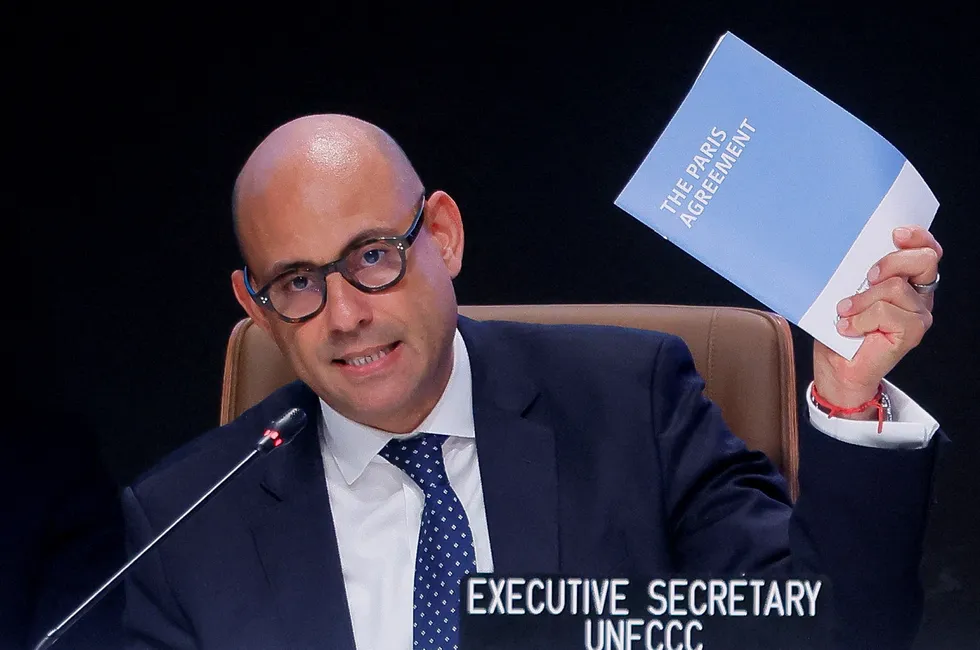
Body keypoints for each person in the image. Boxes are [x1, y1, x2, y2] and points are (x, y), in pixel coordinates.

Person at [121, 114, 944, 650]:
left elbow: (824, 635)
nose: (344, 315)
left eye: (373, 256)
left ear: (441, 236)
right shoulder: (177, 528)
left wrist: (846, 396)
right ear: (255, 307)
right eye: (299, 281)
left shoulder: (633, 406)